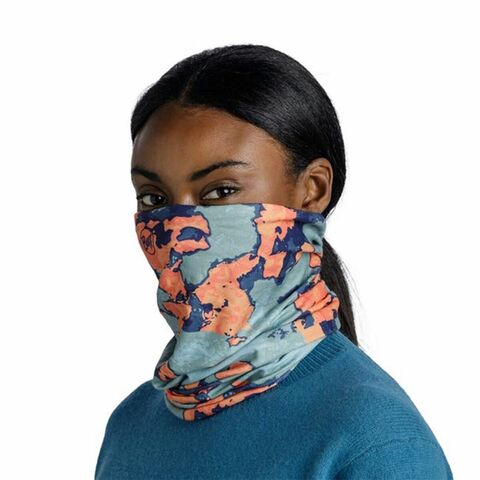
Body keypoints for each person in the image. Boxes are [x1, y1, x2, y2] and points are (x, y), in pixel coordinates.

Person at [94, 44, 453, 479]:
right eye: (154, 199)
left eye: (221, 192)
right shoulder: (132, 425)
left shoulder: (375, 443)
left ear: (313, 189)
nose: (178, 228)